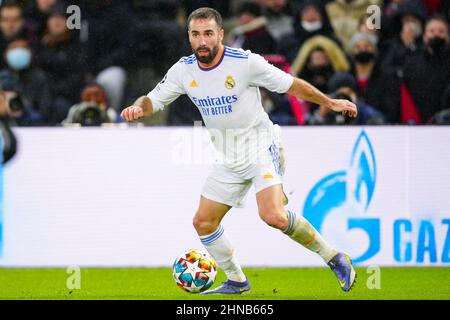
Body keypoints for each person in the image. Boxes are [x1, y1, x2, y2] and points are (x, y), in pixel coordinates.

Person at [121, 7, 358, 295]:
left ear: (221, 34)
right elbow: (153, 100)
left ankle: (335, 257)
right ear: (189, 37)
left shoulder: (245, 62)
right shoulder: (183, 70)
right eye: (196, 35)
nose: (202, 41)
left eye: (208, 33)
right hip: (229, 157)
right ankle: (237, 281)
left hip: (261, 146)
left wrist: (330, 103)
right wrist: (138, 107)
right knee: (203, 222)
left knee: (273, 216)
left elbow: (290, 84)